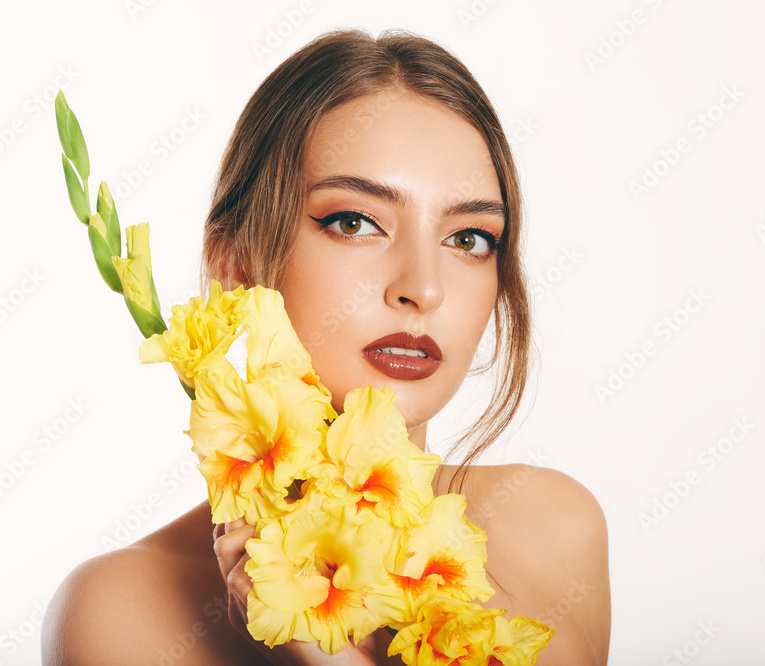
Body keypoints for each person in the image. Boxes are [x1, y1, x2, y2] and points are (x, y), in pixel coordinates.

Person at [42, 28, 610, 665]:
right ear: (236, 265)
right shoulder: (122, 611)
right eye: (354, 222)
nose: (423, 287)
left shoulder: (558, 528)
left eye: (470, 238)